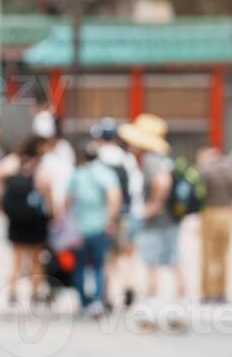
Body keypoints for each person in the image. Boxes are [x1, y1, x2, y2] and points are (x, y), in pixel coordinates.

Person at [121, 113, 188, 306]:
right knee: (175, 262)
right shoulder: (165, 158)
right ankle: (182, 306)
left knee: (151, 265)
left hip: (156, 222)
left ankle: (150, 309)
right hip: (172, 219)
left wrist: (150, 208)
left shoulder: (151, 160)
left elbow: (162, 183)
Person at [0, 135, 53, 306]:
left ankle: (13, 292)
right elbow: (47, 189)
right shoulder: (39, 166)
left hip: (16, 218)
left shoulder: (13, 162)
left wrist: (2, 197)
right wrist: (52, 211)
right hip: (35, 219)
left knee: (17, 259)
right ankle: (35, 291)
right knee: (36, 258)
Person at [68, 141, 122, 317]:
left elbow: (67, 201)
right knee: (99, 265)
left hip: (79, 227)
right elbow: (114, 199)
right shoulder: (106, 174)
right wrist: (110, 220)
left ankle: (83, 302)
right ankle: (98, 301)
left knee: (80, 266)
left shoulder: (78, 174)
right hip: (100, 225)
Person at [93, 120, 144, 305]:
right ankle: (128, 287)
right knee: (125, 253)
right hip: (127, 214)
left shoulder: (98, 159)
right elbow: (135, 188)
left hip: (105, 214)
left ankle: (107, 295)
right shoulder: (126, 158)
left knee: (107, 256)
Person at [196, 147, 232, 305]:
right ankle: (221, 293)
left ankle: (207, 293)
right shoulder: (230, 171)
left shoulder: (204, 171)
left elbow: (198, 193)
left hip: (209, 212)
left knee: (207, 255)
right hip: (227, 213)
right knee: (223, 256)